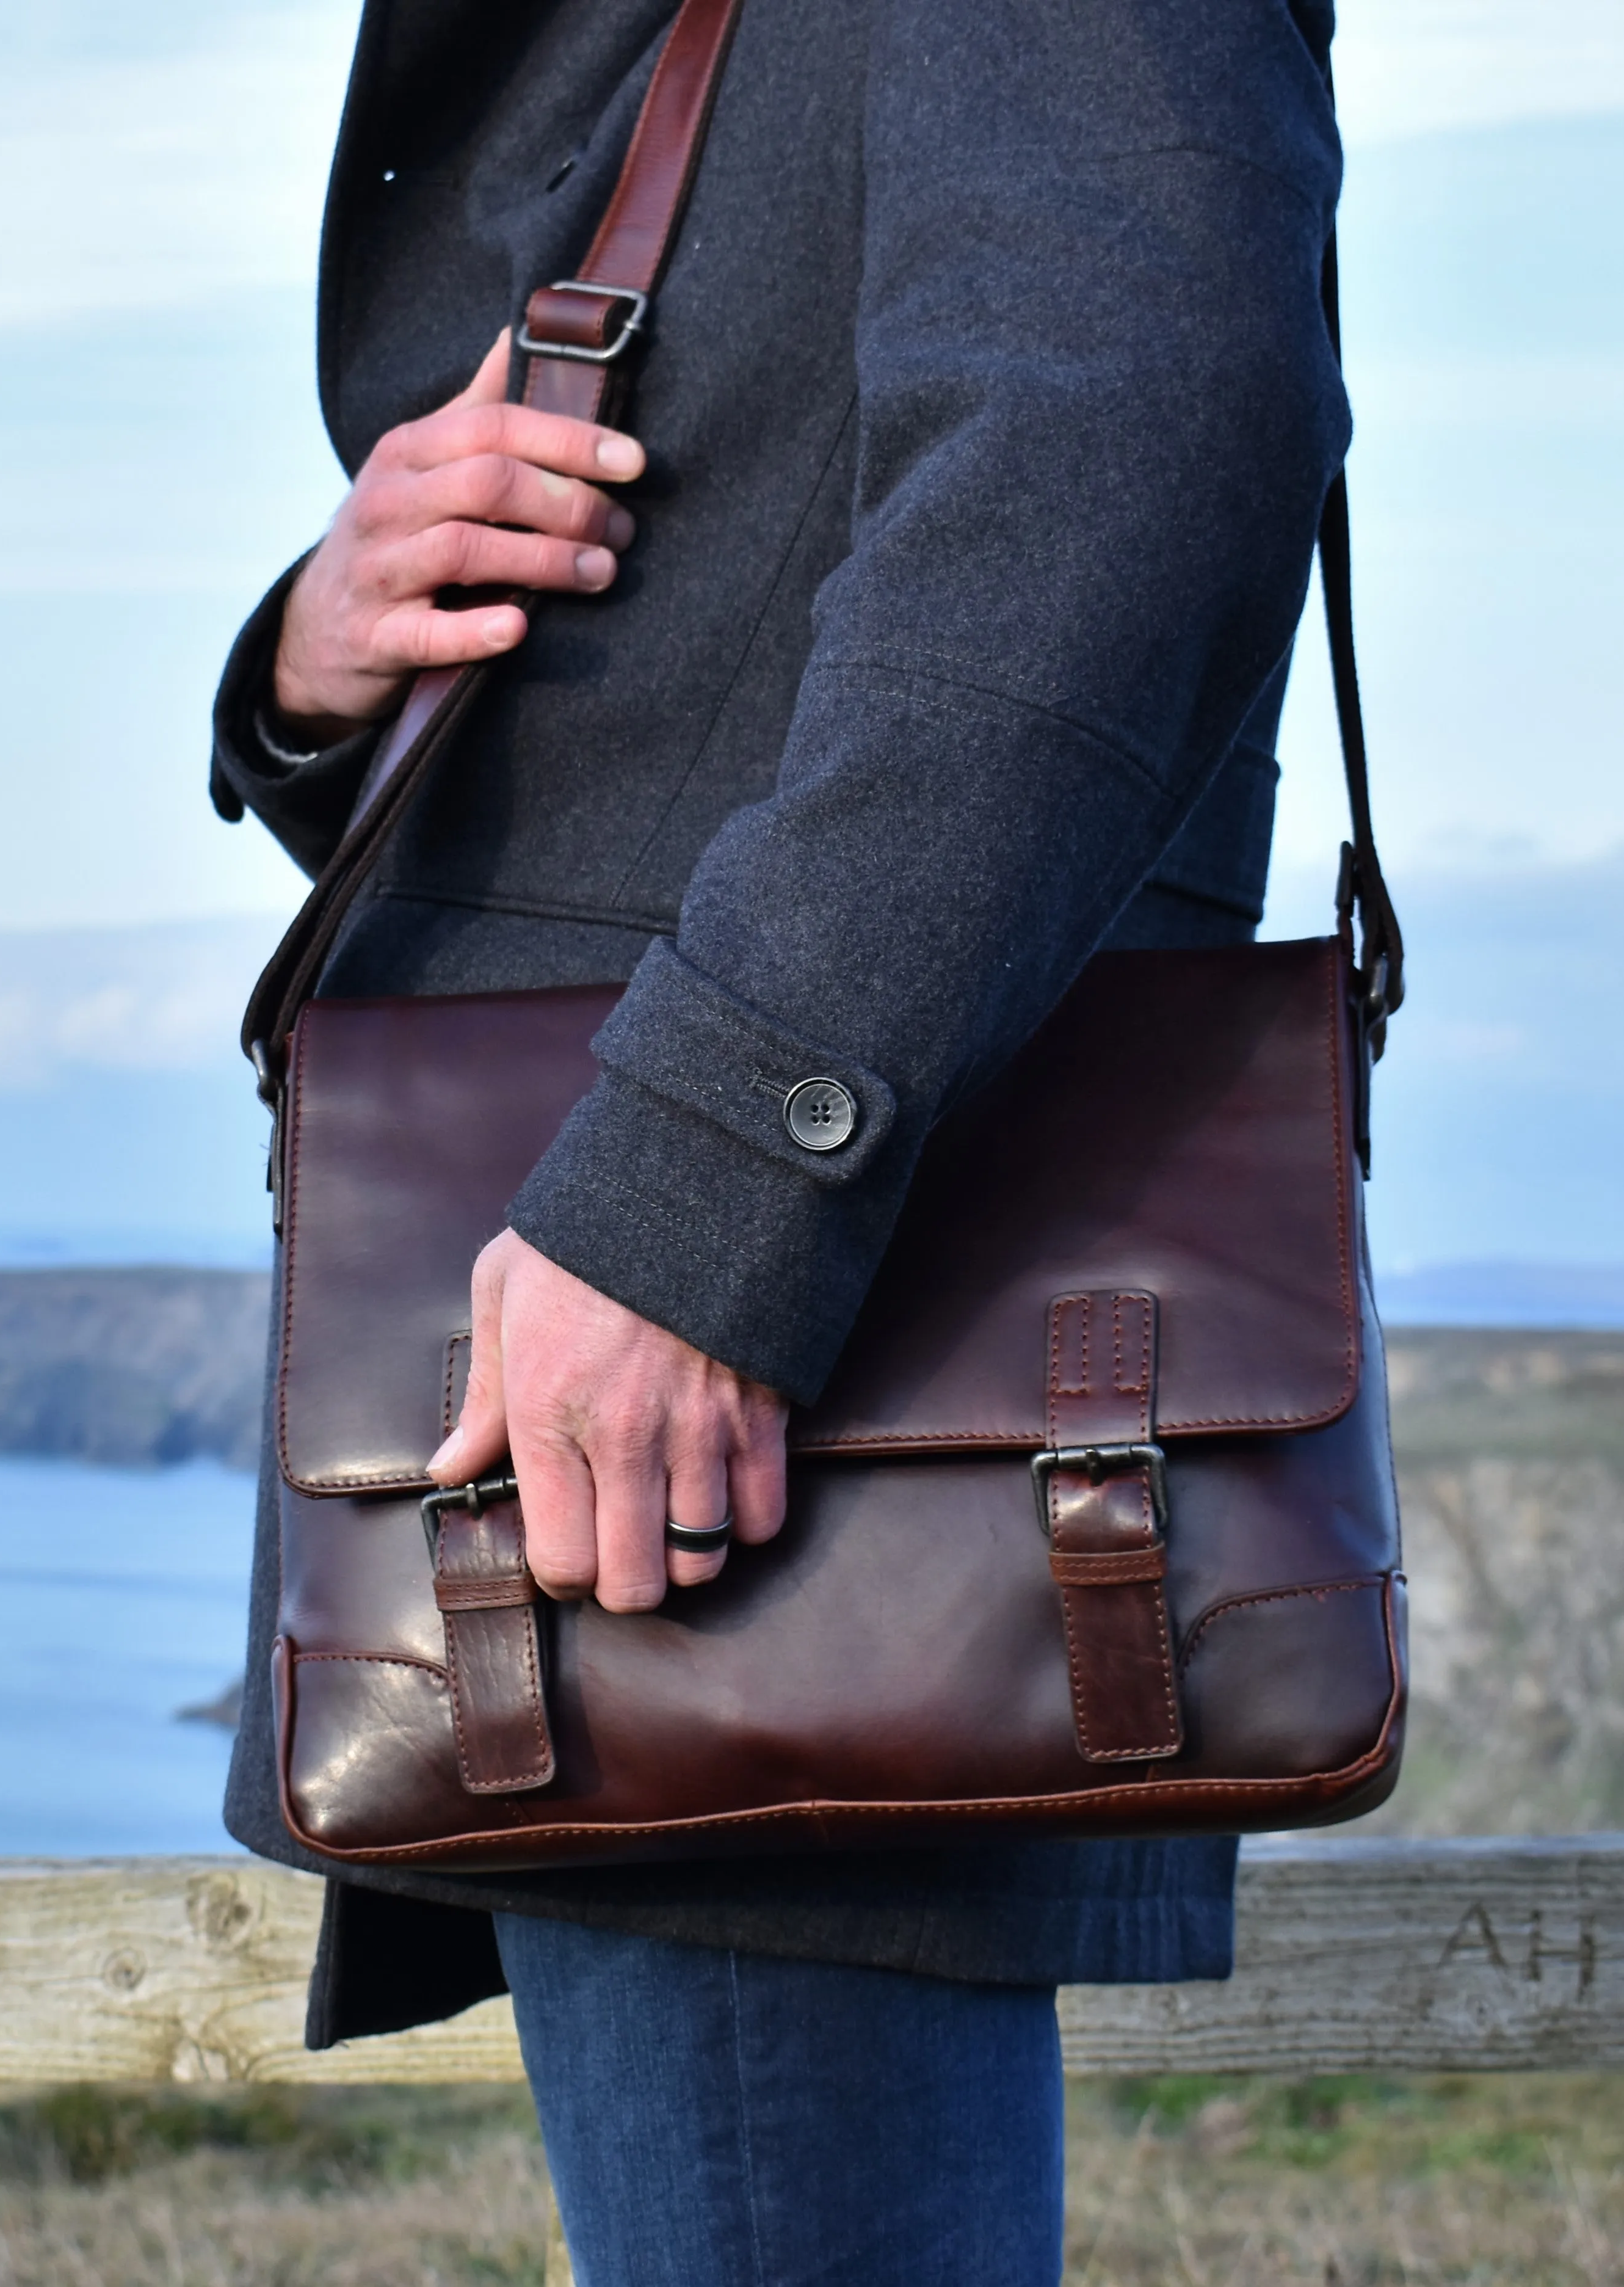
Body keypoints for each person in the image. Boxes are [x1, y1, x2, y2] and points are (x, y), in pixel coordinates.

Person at [208, 0, 1346, 2275]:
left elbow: (1132, 433)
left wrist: (709, 1188)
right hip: (683, 1366)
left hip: (747, 1386)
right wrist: (321, 670)